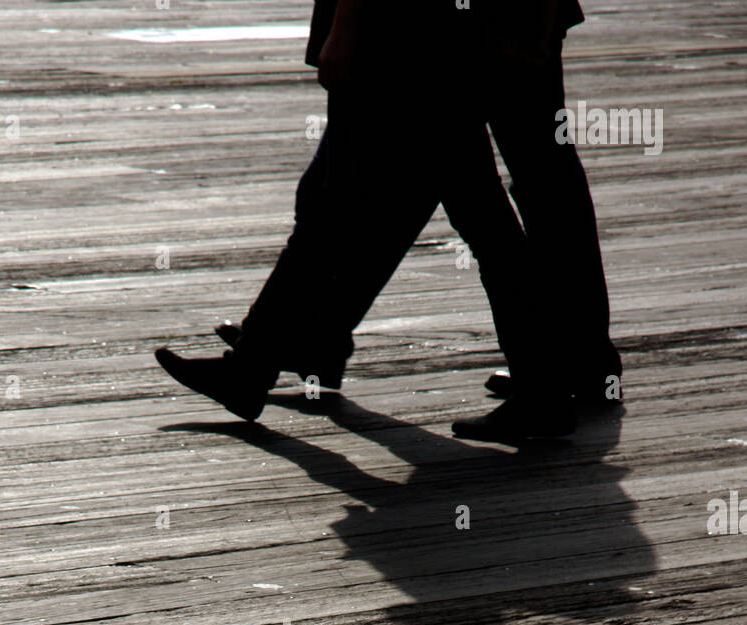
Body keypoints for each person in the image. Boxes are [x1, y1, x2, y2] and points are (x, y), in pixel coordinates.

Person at [155, 2, 613, 439]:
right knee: (476, 201)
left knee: (362, 205)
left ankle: (264, 362)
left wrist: (347, 27)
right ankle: (552, 381)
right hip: (452, 30)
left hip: (399, 33)